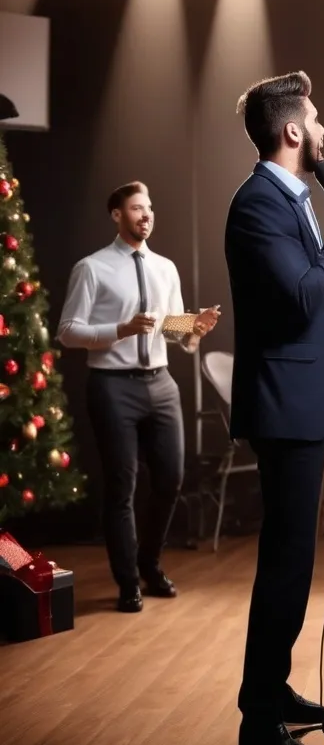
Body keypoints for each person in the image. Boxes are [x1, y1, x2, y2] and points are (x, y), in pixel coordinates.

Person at [225, 70, 324, 745]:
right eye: (316, 121)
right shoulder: (259, 205)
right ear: (291, 132)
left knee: (294, 563)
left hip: (307, 401)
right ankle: (258, 727)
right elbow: (303, 296)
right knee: (285, 566)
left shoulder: (292, 198)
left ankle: (271, 690)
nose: (323, 132)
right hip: (285, 407)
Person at [57, 182, 220, 612]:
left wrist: (194, 330)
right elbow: (68, 332)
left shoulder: (165, 268)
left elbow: (172, 331)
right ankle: (127, 581)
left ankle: (149, 564)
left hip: (161, 384)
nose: (145, 215)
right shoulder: (91, 268)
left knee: (170, 479)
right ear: (117, 215)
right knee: (122, 486)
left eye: (149, 208)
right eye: (136, 208)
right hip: (113, 386)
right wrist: (121, 330)